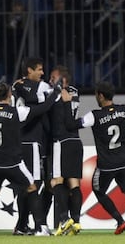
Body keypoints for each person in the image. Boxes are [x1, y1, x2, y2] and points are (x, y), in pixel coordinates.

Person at [61, 81, 125, 235]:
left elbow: (70, 125)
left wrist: (68, 103)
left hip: (106, 165)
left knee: (98, 191)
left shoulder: (94, 115)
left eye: (96, 94)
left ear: (100, 96)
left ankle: (120, 221)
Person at [0, 82, 59, 237]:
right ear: (10, 96)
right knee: (32, 187)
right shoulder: (17, 112)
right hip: (12, 162)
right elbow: (43, 108)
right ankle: (40, 227)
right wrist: (55, 93)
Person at [12, 57, 54, 235]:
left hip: (16, 140)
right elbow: (50, 99)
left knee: (25, 185)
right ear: (29, 70)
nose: (42, 73)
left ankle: (21, 226)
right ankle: (37, 226)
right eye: (39, 69)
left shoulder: (15, 86)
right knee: (33, 183)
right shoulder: (40, 86)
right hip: (32, 141)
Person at [48, 66, 83, 236]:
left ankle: (63, 219)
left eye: (53, 78)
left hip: (61, 141)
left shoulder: (56, 94)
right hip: (75, 140)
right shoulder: (75, 92)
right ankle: (76, 222)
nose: (49, 80)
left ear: (63, 80)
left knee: (57, 181)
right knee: (74, 183)